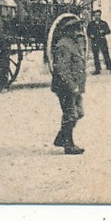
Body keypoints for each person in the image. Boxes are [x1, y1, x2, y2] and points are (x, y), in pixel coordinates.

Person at [48, 12, 88, 155]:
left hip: (75, 87)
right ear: (69, 31)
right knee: (70, 114)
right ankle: (69, 145)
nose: (79, 32)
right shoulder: (63, 45)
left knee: (79, 113)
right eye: (76, 30)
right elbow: (61, 69)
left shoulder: (74, 43)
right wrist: (73, 86)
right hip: (65, 87)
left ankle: (61, 137)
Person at [86, 10, 111, 74]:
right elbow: (88, 32)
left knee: (106, 54)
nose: (97, 17)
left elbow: (108, 31)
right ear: (94, 16)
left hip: (102, 40)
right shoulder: (91, 24)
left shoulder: (103, 23)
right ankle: (97, 70)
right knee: (96, 55)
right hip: (94, 41)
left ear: (100, 16)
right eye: (96, 15)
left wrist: (104, 31)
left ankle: (110, 68)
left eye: (98, 15)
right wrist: (90, 35)